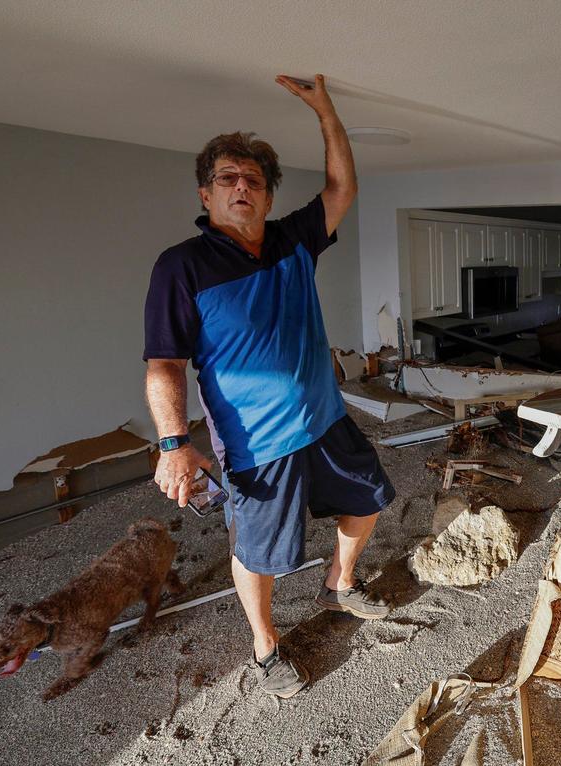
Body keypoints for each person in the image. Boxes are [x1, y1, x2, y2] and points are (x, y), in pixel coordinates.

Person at [142, 74, 394, 699]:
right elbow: (165, 364)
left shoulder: (291, 240)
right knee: (259, 553)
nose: (241, 187)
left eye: (253, 180)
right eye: (227, 178)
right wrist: (173, 443)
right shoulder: (182, 266)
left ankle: (340, 583)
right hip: (256, 443)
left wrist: (325, 110)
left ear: (267, 195)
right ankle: (264, 646)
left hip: (325, 417)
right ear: (206, 193)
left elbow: (342, 188)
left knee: (367, 499)